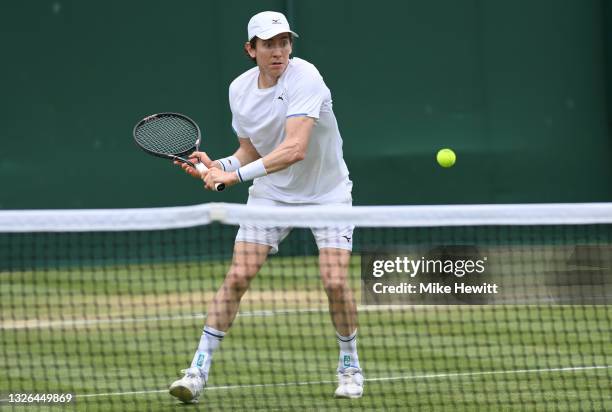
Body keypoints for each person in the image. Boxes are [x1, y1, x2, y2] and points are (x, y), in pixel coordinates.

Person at [168, 10, 363, 403]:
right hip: (272, 193)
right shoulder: (238, 90)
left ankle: (349, 365)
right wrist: (216, 166)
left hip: (327, 193)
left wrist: (232, 177)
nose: (279, 51)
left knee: (335, 282)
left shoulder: (305, 76)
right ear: (250, 49)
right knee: (238, 276)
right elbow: (251, 149)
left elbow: (294, 149)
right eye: (269, 44)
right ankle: (197, 371)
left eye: (284, 42)